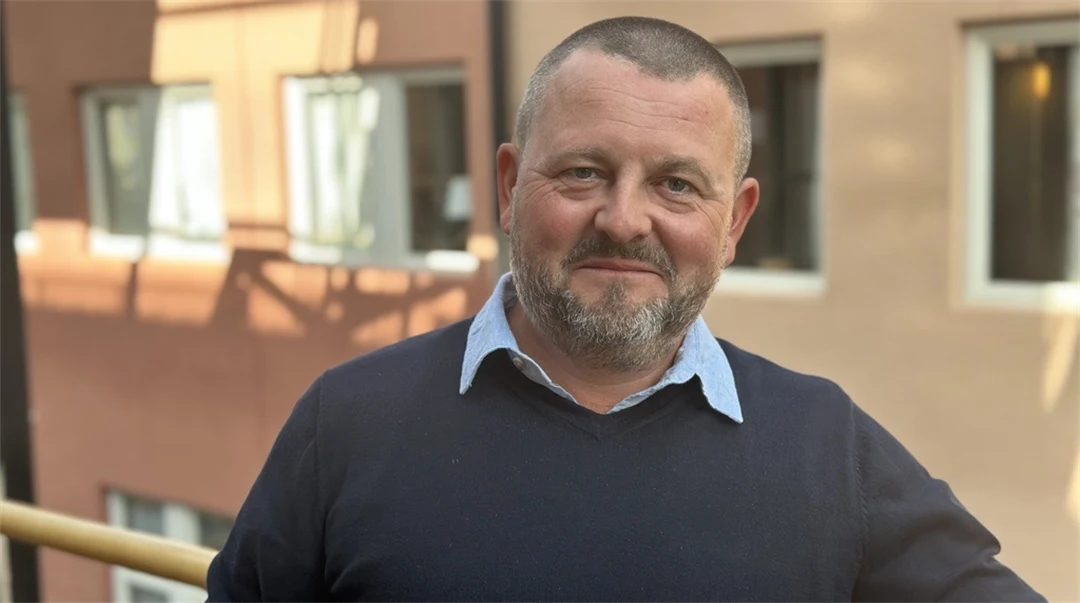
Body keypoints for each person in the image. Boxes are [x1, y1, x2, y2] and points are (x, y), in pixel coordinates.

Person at [206, 16, 1046, 602]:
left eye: (676, 185)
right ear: (508, 186)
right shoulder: (347, 423)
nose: (622, 218)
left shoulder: (828, 445)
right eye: (582, 172)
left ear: (735, 223)